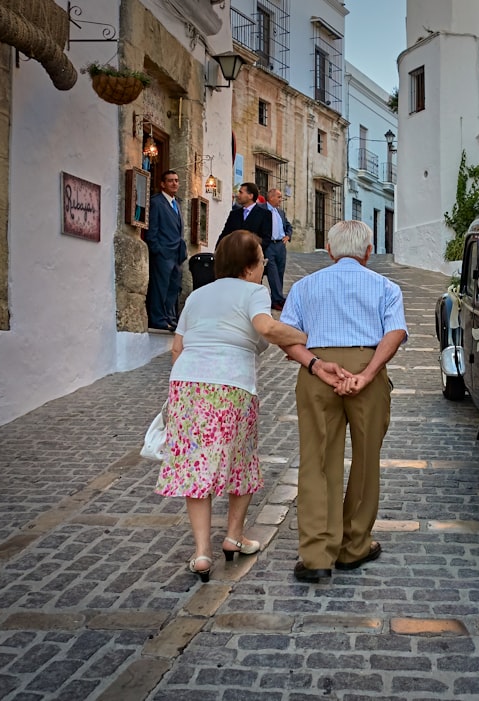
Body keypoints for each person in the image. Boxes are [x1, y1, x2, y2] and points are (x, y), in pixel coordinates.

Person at [154, 230, 307, 583]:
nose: (264, 267)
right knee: (241, 459)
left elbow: (177, 347)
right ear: (251, 266)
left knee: (195, 467)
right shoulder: (254, 292)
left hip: (187, 384)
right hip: (231, 385)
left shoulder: (198, 294)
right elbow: (265, 327)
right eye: (262, 262)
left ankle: (202, 552)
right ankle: (234, 536)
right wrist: (302, 337)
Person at [280, 220, 408, 582]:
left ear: (332, 251)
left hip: (319, 372)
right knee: (367, 460)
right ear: (368, 251)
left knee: (317, 460)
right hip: (368, 367)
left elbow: (289, 338)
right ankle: (354, 546)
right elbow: (395, 332)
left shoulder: (305, 286)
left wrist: (316, 366)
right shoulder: (385, 286)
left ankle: (317, 554)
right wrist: (366, 375)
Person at [146, 170, 186, 331]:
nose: (174, 183)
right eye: (170, 181)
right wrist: (157, 249)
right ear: (162, 184)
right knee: (159, 287)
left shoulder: (177, 203)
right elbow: (152, 229)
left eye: (176, 180)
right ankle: (157, 318)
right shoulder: (157, 202)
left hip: (176, 254)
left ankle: (169, 317)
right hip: (163, 253)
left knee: (173, 288)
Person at [218, 182, 272, 250]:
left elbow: (266, 240)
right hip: (233, 256)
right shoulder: (234, 214)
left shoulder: (264, 214)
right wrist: (217, 252)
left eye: (241, 192)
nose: (238, 195)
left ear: (250, 196)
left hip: (253, 256)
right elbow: (224, 235)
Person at [264, 188, 293, 310]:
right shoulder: (262, 210)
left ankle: (277, 299)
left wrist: (288, 236)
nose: (281, 199)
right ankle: (278, 299)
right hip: (269, 245)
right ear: (271, 197)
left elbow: (288, 225)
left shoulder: (280, 212)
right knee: (273, 272)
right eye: (279, 197)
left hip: (280, 246)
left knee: (280, 272)